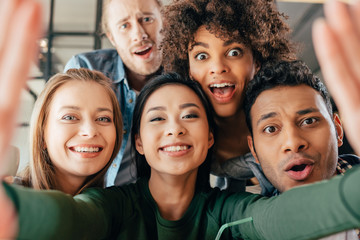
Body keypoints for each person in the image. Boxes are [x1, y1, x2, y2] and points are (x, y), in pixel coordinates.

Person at [1, 73, 360, 240]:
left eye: (190, 115)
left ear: (209, 139)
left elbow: (279, 218)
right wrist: (15, 209)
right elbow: (72, 216)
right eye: (157, 118)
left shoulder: (229, 212)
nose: (175, 129)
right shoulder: (113, 206)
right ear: (138, 141)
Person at [161, 0, 297, 193]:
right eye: (201, 56)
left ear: (256, 61)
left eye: (234, 52)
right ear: (188, 68)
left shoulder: (289, 125)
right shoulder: (182, 137)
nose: (217, 67)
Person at [64, 0, 164, 187]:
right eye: (124, 25)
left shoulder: (188, 72)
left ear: (164, 21)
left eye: (147, 19)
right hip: (94, 199)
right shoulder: (85, 68)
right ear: (112, 38)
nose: (139, 34)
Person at [244, 60, 360, 195]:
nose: (293, 143)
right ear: (254, 151)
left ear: (338, 131)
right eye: (271, 129)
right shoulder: (251, 212)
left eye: (309, 121)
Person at [13, 68, 123, 195]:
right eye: (69, 117)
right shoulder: (10, 200)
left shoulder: (116, 209)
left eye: (103, 118)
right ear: (42, 134)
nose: (90, 131)